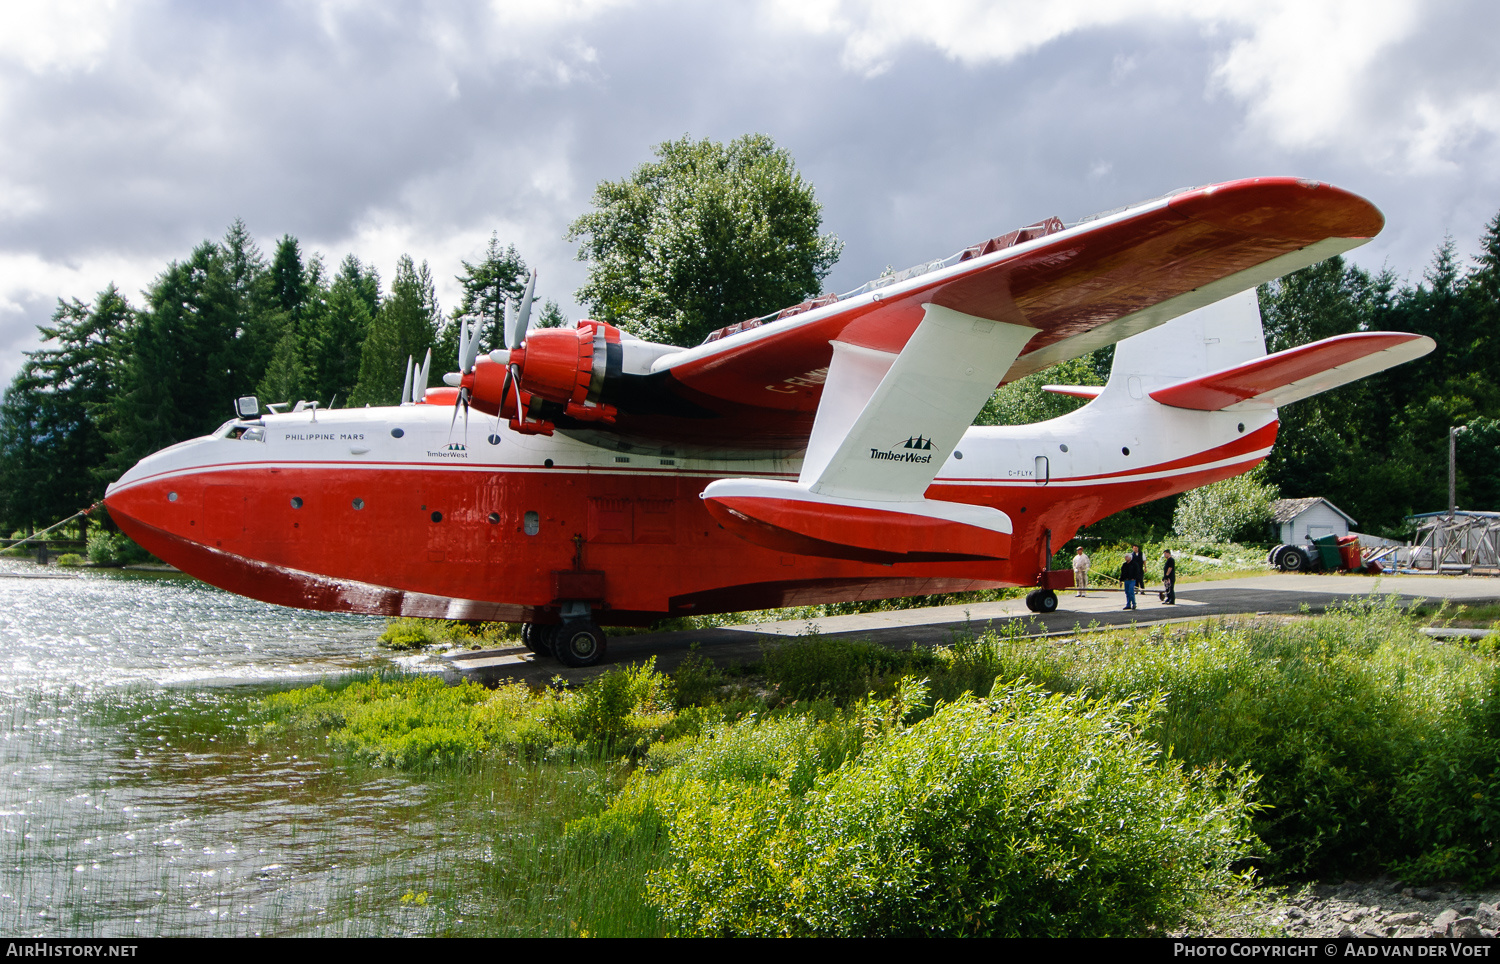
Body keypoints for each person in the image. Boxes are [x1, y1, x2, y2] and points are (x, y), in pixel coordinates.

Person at [1121, 544, 1146, 610]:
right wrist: (1121, 580)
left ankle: (1134, 604)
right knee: (1127, 592)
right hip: (1126, 580)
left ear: (1130, 557)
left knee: (1131, 592)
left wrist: (1135, 577)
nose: (1125, 558)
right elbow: (1122, 573)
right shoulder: (1124, 565)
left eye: (1127, 557)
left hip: (1132, 580)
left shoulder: (1134, 564)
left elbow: (1137, 571)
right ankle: (1128, 604)